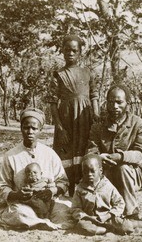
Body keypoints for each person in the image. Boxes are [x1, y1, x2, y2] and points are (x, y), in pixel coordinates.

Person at [0, 108, 73, 230]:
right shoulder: (11, 155)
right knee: (18, 213)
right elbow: (1, 186)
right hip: (23, 204)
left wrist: (52, 192)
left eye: (34, 128)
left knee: (66, 209)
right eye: (26, 127)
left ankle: (39, 221)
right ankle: (40, 222)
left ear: (40, 130)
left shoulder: (50, 154)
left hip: (49, 202)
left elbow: (63, 182)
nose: (30, 132)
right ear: (21, 128)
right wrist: (16, 195)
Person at [88, 84, 142, 219]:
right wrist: (99, 158)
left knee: (122, 168)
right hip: (105, 168)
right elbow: (91, 151)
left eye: (119, 102)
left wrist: (121, 156)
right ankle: (101, 211)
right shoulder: (98, 126)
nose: (115, 106)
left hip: (133, 172)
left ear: (127, 103)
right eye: (111, 102)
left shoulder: (139, 125)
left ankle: (131, 212)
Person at [47, 34, 99, 196]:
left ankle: (84, 192)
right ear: (62, 51)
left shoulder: (88, 73)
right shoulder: (58, 74)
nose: (70, 53)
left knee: (84, 151)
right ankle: (66, 190)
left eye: (74, 50)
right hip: (66, 119)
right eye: (67, 50)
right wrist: (60, 127)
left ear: (80, 53)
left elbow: (94, 96)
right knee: (66, 153)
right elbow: (52, 103)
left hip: (85, 119)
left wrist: (96, 116)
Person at [71, 154, 134, 235]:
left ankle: (112, 227)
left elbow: (120, 203)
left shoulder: (107, 185)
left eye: (92, 171)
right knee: (82, 226)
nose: (89, 174)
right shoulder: (80, 188)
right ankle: (106, 230)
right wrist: (87, 217)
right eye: (85, 172)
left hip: (107, 217)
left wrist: (108, 215)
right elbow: (75, 208)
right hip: (90, 219)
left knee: (126, 227)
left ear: (100, 170)